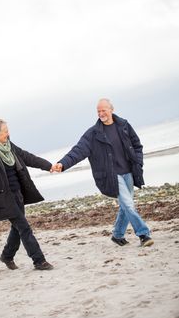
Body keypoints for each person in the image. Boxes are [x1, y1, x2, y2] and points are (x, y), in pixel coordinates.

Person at [52, 98, 154, 247]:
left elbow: (137, 146)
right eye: (98, 111)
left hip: (128, 172)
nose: (101, 113)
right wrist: (62, 164)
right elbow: (78, 151)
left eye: (103, 110)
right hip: (111, 176)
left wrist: (138, 163)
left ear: (111, 109)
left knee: (126, 207)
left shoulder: (123, 125)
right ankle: (143, 234)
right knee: (129, 205)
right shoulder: (93, 134)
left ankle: (117, 235)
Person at [0, 118, 54, 270]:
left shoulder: (9, 146)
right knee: (24, 228)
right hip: (3, 198)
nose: (8, 133)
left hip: (18, 194)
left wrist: (48, 166)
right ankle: (39, 261)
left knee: (17, 228)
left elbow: (28, 157)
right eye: (5, 131)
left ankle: (7, 256)